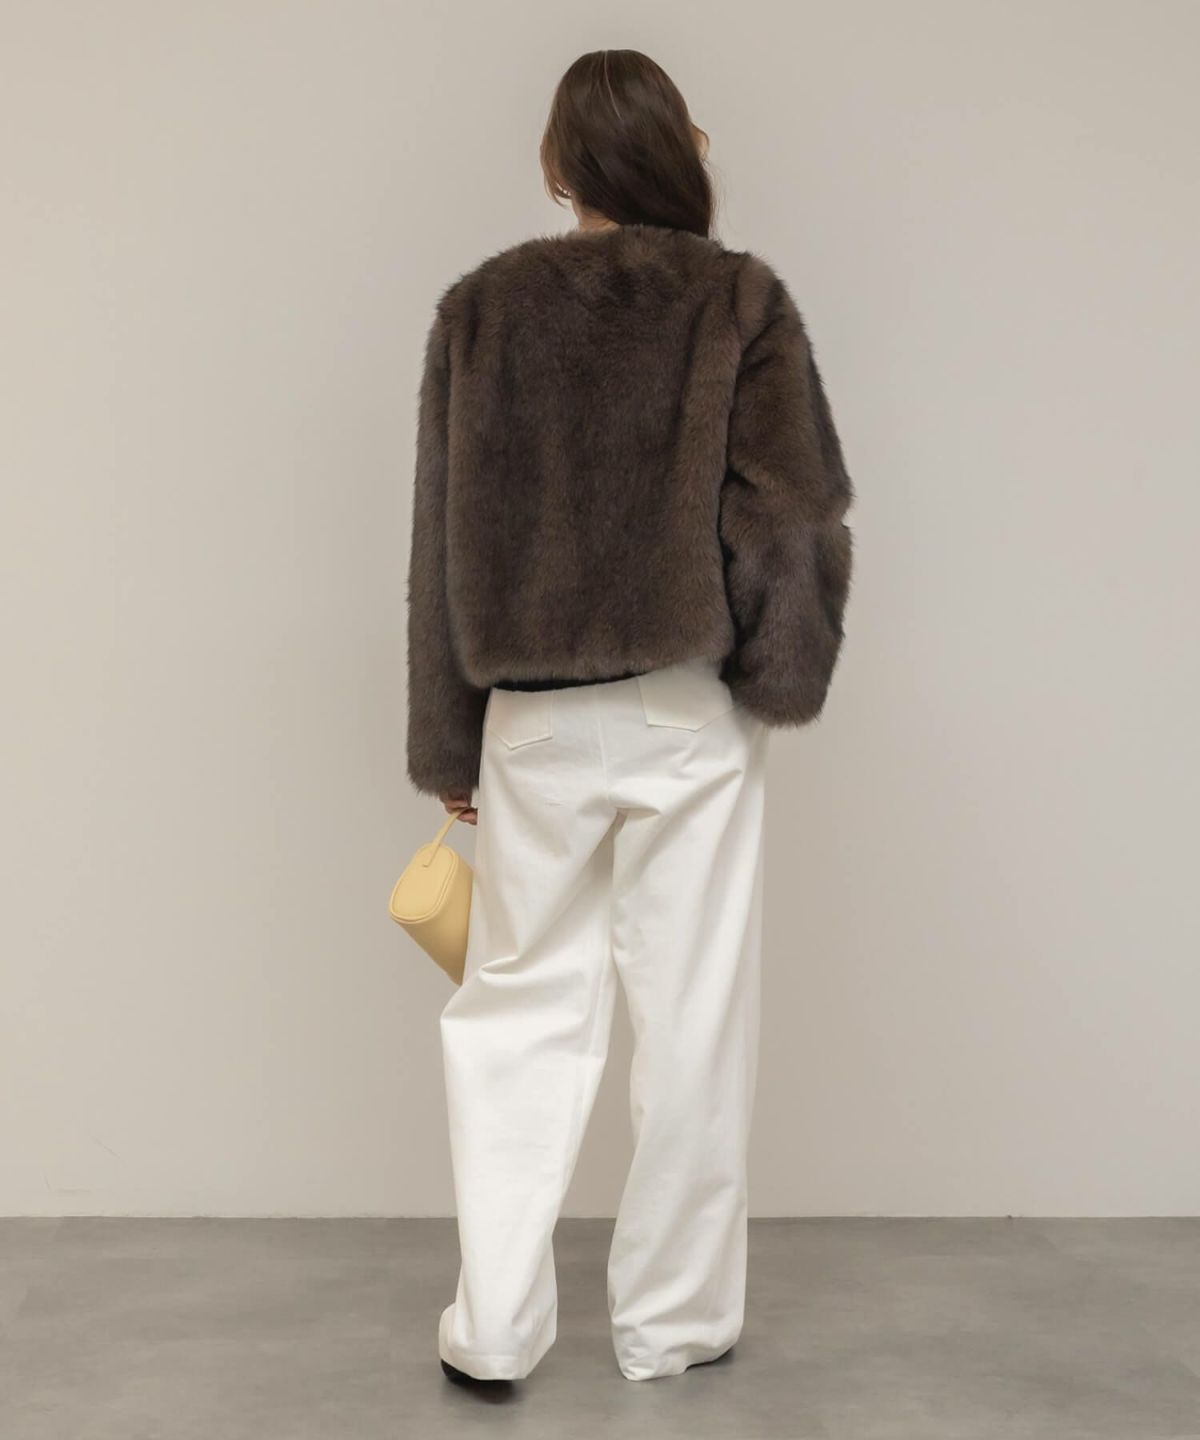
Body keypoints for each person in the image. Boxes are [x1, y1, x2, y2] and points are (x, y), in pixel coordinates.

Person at [405, 48, 853, 1386]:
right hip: (683, 710)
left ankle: (495, 1328)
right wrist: (778, 676)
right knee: (692, 1017)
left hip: (532, 720)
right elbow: (792, 513)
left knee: (515, 1016)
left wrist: (447, 742)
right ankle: (673, 1323)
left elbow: (442, 541)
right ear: (680, 148)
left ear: (558, 167)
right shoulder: (737, 298)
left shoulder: (480, 311)